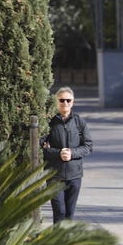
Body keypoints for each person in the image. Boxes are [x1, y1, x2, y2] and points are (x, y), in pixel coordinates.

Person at [40, 87, 93, 223]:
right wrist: (58, 153)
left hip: (74, 174)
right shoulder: (49, 122)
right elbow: (40, 147)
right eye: (61, 100)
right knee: (59, 211)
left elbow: (88, 146)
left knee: (69, 213)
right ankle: (57, 242)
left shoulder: (79, 122)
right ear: (56, 102)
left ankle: (66, 241)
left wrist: (72, 153)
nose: (65, 103)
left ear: (73, 102)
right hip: (54, 175)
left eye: (68, 100)